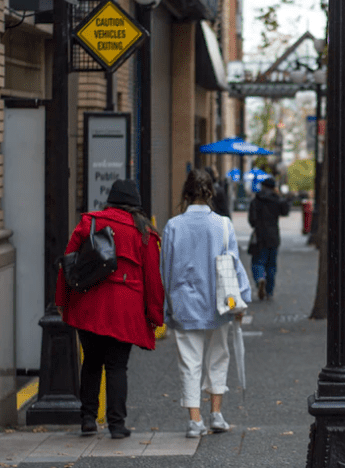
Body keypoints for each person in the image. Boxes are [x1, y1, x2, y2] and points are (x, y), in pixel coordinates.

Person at [55, 179, 164, 439]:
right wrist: (155, 315)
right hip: (125, 307)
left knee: (91, 361)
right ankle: (117, 424)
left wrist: (62, 301)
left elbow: (68, 264)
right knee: (117, 366)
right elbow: (152, 279)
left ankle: (88, 419)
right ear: (135, 204)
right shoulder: (144, 232)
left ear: (111, 200)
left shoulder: (89, 222)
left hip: (89, 303)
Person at [162, 169, 252, 438]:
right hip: (219, 303)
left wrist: (168, 304)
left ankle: (194, 420)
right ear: (211, 193)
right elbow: (234, 265)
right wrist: (242, 300)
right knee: (218, 357)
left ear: (186, 194)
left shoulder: (173, 226)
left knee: (189, 362)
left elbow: (165, 270)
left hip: (184, 304)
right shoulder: (223, 225)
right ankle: (216, 414)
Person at [248, 176, 290, 300]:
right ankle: (269, 291)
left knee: (257, 261)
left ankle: (260, 278)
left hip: (259, 235)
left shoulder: (256, 200)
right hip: (273, 235)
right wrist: (280, 196)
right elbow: (285, 211)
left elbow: (252, 220)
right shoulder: (277, 200)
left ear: (263, 186)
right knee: (271, 265)